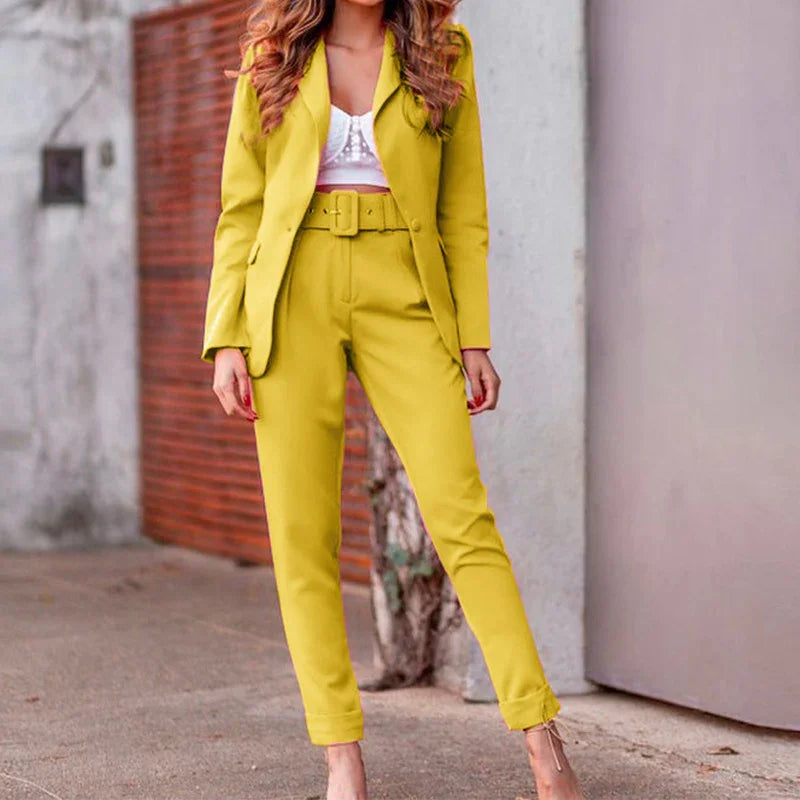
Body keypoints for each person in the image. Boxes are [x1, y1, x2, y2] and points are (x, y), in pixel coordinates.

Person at [200, 1, 587, 798]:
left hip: (403, 286)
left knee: (459, 512)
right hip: (291, 289)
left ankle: (539, 731)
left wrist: (473, 337)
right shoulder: (275, 47)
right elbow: (241, 204)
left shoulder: (443, 50)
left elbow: (462, 205)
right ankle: (341, 757)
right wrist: (227, 334)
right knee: (301, 536)